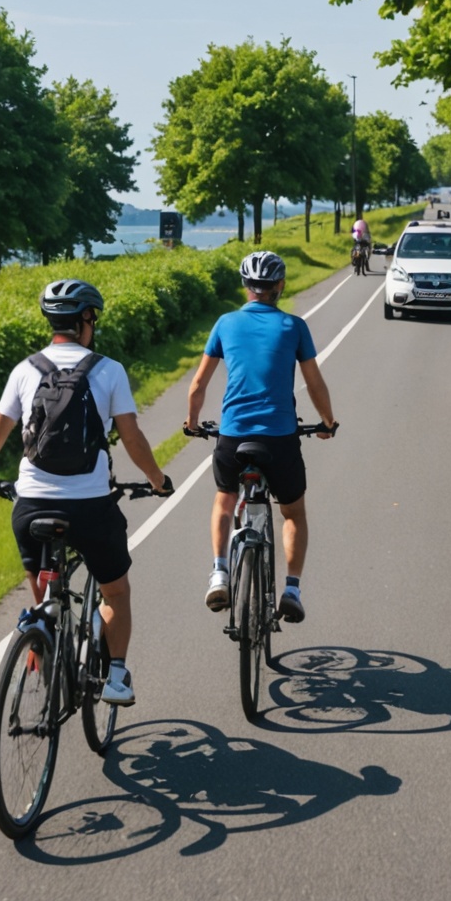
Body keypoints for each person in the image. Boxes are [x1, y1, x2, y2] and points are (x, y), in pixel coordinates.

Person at [0, 278, 168, 707]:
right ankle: (115, 676)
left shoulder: (25, 369)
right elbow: (131, 439)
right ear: (86, 320)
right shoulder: (108, 370)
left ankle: (42, 630)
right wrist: (156, 480)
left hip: (32, 506)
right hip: (90, 508)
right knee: (116, 592)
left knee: (40, 580)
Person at [185, 250, 337, 623]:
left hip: (233, 436)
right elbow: (313, 382)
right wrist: (327, 422)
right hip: (280, 438)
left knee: (224, 501)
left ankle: (220, 571)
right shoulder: (294, 326)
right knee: (293, 513)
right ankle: (292, 589)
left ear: (245, 287)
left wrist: (191, 423)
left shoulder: (225, 323)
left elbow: (198, 384)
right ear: (279, 286)